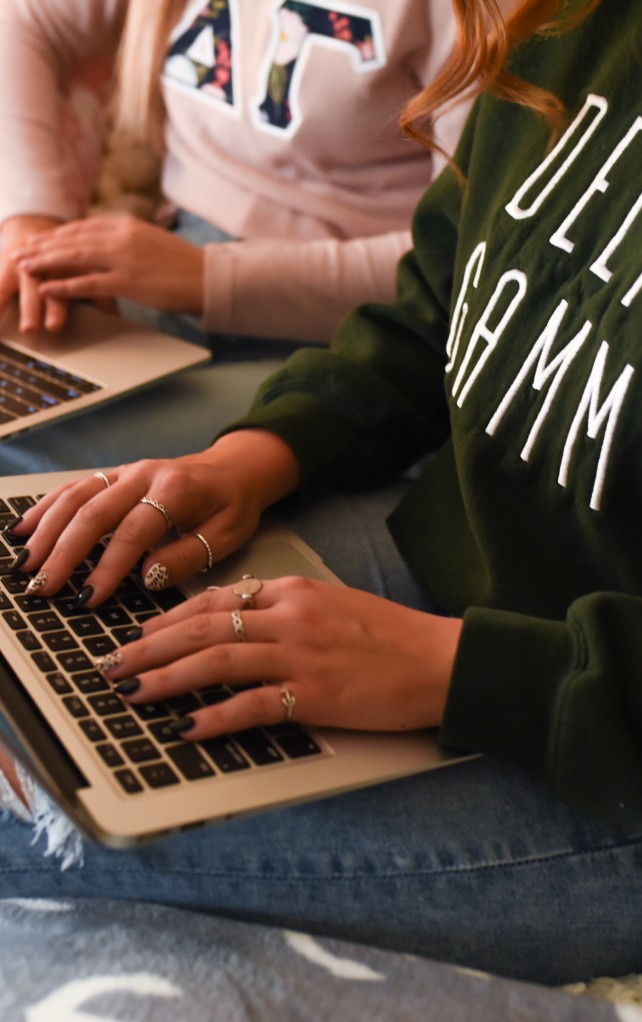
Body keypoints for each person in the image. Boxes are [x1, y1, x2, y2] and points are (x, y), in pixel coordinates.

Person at [2, 0, 641, 988]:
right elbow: (441, 298)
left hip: (605, 765)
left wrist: (450, 668)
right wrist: (261, 453)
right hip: (459, 569)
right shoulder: (578, 23)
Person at [0, 0, 468, 472]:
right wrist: (28, 217)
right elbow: (25, 18)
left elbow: (461, 264)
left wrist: (209, 277)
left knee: (30, 456)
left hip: (356, 335)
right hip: (164, 269)